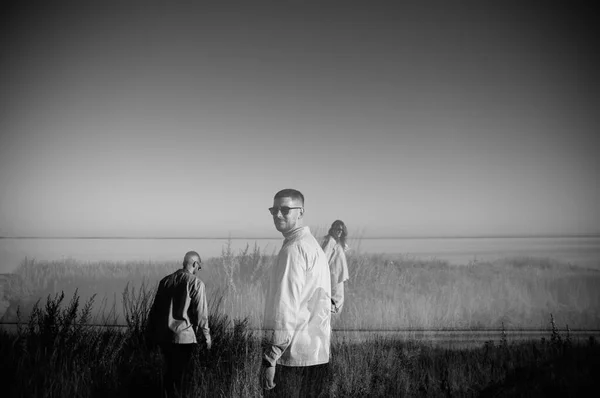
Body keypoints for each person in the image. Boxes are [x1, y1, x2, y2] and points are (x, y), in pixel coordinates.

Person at [261, 188, 332, 397]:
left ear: (300, 212)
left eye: (285, 209)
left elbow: (286, 307)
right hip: (317, 355)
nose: (278, 215)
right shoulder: (314, 247)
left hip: (292, 357)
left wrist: (271, 358)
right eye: (274, 210)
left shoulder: (293, 250)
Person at [147, 250, 212, 397]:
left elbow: (154, 311)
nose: (198, 270)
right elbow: (201, 315)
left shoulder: (165, 281)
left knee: (168, 376)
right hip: (184, 339)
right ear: (195, 264)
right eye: (199, 267)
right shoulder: (196, 283)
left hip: (164, 338)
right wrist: (206, 337)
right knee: (182, 379)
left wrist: (150, 335)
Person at [321, 220, 350, 315]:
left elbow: (345, 248)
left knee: (338, 300)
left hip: (338, 277)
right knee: (335, 301)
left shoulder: (336, 242)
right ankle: (332, 322)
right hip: (334, 277)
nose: (339, 231)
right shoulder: (330, 241)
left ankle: (333, 321)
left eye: (342, 230)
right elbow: (323, 258)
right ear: (332, 229)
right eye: (337, 229)